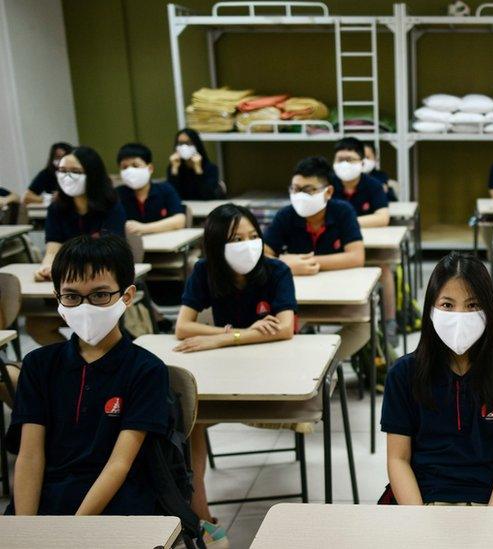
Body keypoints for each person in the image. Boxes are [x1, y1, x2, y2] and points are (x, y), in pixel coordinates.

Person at [4, 234, 170, 517]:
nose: (85, 307)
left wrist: (76, 529)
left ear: (126, 296)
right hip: (48, 496)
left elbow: (119, 463)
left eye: (100, 295)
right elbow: (30, 456)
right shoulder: (38, 365)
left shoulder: (146, 370)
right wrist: (25, 528)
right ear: (57, 298)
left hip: (116, 503)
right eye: (71, 296)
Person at [174, 204, 296, 544]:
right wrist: (240, 333)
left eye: (253, 236)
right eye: (236, 239)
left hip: (273, 371)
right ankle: (201, 517)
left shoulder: (276, 271)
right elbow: (183, 326)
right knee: (190, 417)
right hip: (226, 369)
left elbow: (285, 329)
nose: (248, 244)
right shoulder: (204, 270)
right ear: (215, 246)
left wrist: (226, 337)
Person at [381, 252, 493, 505]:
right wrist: (419, 521)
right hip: (424, 498)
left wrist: (489, 526)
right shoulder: (403, 374)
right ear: (431, 310)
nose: (459, 316)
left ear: (489, 309)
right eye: (447, 305)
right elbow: (398, 460)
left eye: (473, 305)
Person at [264, 155, 371, 363]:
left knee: (363, 326)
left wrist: (310, 264)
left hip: (338, 290)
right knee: (280, 325)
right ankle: (300, 363)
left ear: (328, 192)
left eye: (308, 190)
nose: (299, 196)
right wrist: (285, 263)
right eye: (295, 189)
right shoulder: (286, 215)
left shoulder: (342, 212)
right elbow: (264, 254)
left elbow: (357, 256)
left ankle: (323, 363)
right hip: (297, 295)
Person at [27, 146, 127, 345]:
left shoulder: (111, 204)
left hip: (101, 282)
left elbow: (112, 252)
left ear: (92, 174)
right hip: (70, 286)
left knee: (98, 329)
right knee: (36, 325)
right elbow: (53, 248)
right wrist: (47, 267)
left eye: (75, 171)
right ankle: (72, 359)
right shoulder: (57, 207)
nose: (67, 177)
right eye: (62, 171)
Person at [328, 137, 396, 339]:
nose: (345, 164)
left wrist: (347, 221)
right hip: (334, 246)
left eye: (350, 159)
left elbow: (382, 217)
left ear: (362, 162)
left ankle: (389, 321)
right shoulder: (328, 185)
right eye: (340, 159)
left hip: (363, 243)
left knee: (383, 268)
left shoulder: (373, 185)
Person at [116, 143, 186, 235]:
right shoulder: (117, 194)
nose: (130, 171)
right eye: (124, 167)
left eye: (135, 165)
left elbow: (179, 220)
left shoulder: (165, 189)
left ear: (150, 168)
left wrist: (143, 228)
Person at [167, 128, 224, 201]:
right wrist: (174, 170)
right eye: (180, 143)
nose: (184, 147)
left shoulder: (210, 168)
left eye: (188, 143)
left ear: (196, 145)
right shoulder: (173, 167)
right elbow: (171, 197)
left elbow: (208, 196)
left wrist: (198, 170)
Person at [23, 142, 72, 206]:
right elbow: (27, 197)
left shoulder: (78, 173)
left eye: (64, 158)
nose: (61, 161)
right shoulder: (47, 173)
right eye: (58, 158)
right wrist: (50, 199)